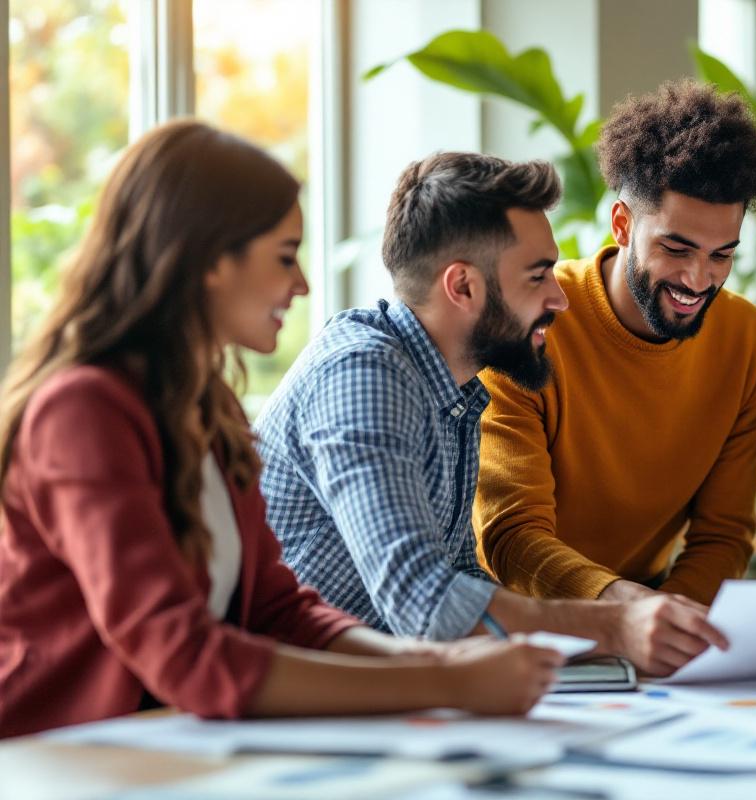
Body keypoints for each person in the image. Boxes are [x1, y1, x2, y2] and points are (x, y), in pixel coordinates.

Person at [0, 122, 563, 739]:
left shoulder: (209, 406)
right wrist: (445, 683)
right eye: (284, 257)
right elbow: (183, 653)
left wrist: (435, 664)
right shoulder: (81, 411)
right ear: (210, 261)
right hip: (53, 755)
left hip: (165, 744)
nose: (302, 285)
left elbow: (278, 612)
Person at [255, 151, 726, 677]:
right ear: (462, 286)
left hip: (367, 690)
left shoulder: (455, 393)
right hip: (289, 696)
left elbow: (463, 585)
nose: (559, 299)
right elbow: (425, 601)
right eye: (537, 277)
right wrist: (615, 625)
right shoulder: (363, 373)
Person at [473, 80, 756, 612]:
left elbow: (724, 536)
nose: (698, 279)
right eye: (676, 248)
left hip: (649, 613)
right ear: (622, 223)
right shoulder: (529, 321)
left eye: (721, 255)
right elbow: (511, 536)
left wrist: (668, 623)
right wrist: (631, 615)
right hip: (518, 618)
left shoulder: (747, 341)